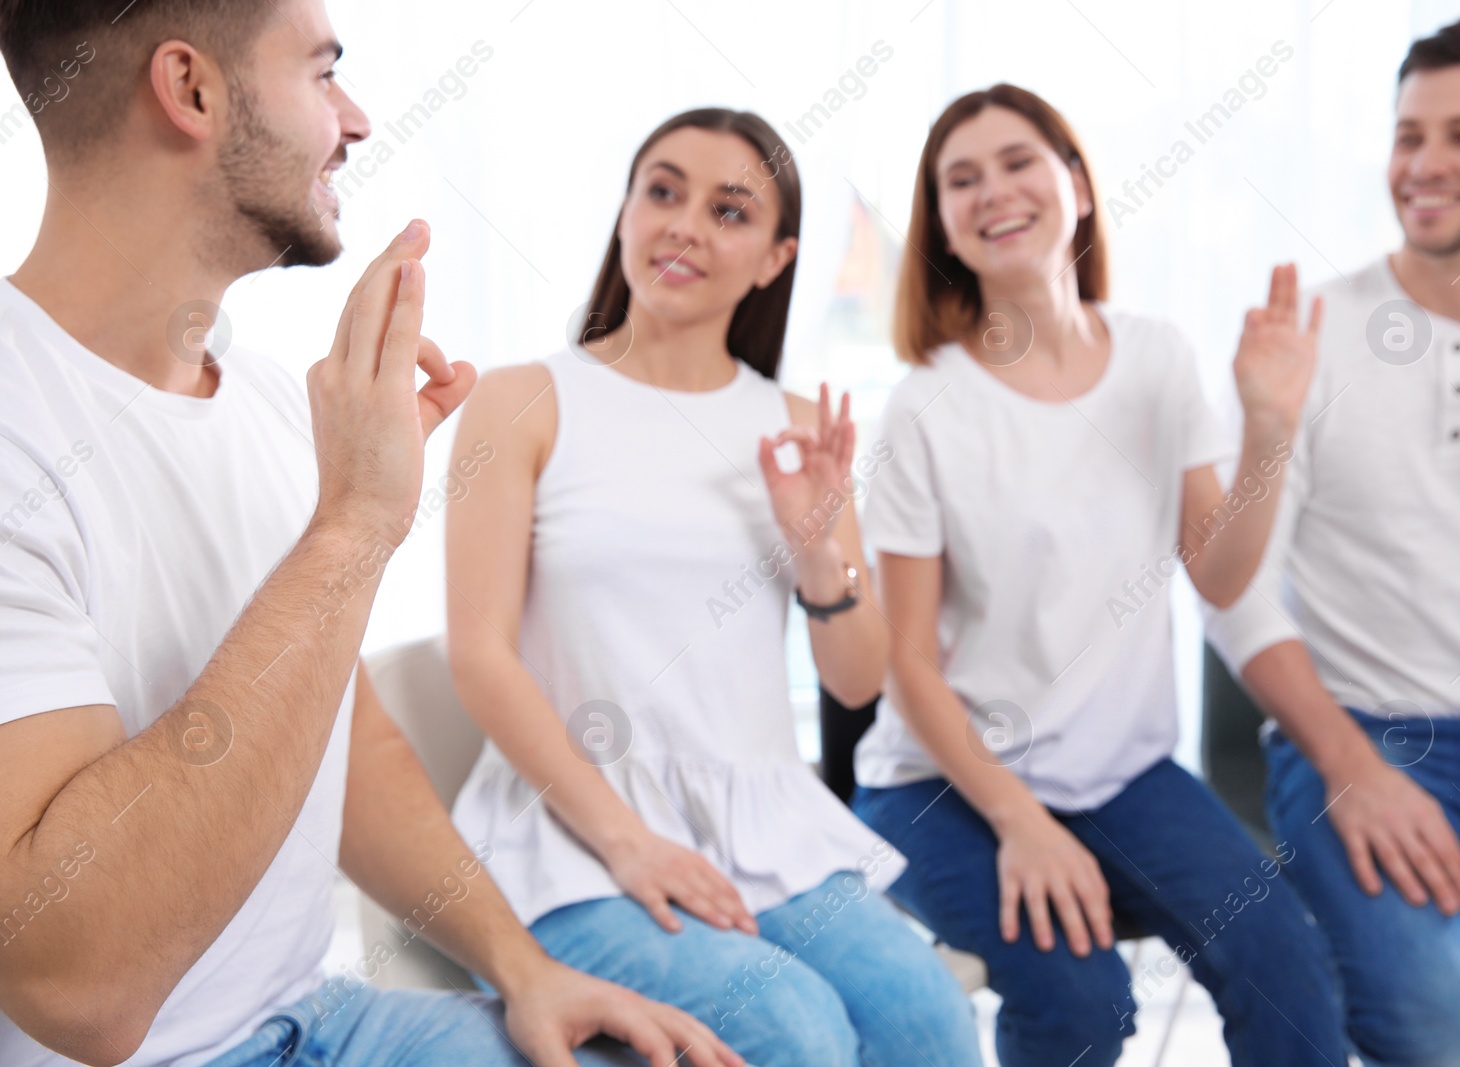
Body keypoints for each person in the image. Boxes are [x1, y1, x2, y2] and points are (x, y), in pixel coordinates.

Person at [0, 3, 742, 1066]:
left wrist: (523, 968)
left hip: (318, 1015)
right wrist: (353, 527)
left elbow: (343, 749)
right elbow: (80, 990)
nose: (354, 119)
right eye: (323, 73)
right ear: (191, 89)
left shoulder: (261, 403)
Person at [444, 107, 985, 1067]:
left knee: (929, 1017)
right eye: (663, 190)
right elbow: (479, 656)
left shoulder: (796, 424)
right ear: (625, 215)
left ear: (775, 259)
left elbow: (856, 682)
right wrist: (627, 841)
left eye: (729, 211)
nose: (685, 224)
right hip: (570, 840)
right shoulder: (522, 398)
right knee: (794, 1028)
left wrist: (819, 553)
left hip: (763, 833)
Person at [847, 83, 1348, 1067]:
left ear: (1074, 182)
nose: (993, 190)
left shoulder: (1155, 357)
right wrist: (1018, 819)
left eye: (1018, 161)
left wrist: (1269, 430)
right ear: (942, 222)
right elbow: (904, 662)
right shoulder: (925, 408)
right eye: (961, 179)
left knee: (1287, 973)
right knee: (1081, 1000)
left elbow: (1218, 571)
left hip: (1121, 771)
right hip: (941, 783)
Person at [1207, 15, 1460, 1067]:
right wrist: (1347, 763)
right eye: (1407, 134)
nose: (1423, 165)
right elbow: (1228, 593)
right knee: (1427, 1027)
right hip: (1361, 733)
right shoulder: (1307, 336)